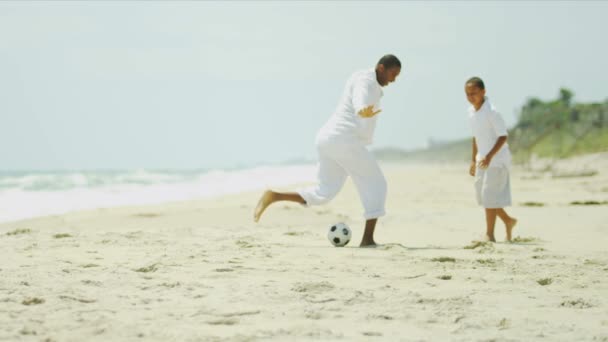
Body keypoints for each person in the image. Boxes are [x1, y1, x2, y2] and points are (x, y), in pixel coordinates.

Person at [253, 54, 402, 247]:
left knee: (324, 193)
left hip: (328, 139)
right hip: (343, 140)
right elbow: (360, 97)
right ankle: (367, 240)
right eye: (392, 74)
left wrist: (363, 110)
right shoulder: (365, 80)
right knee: (376, 184)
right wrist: (362, 109)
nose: (394, 80)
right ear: (381, 68)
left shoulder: (363, 78)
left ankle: (274, 195)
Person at [465, 76, 518, 242]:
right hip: (482, 158)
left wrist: (489, 156)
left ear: (483, 92)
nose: (471, 96)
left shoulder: (492, 112)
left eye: (474, 93)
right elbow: (476, 137)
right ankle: (508, 221)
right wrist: (474, 160)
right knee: (483, 197)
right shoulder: (471, 112)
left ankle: (489, 234)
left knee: (489, 196)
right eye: (467, 94)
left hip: (497, 160)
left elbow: (503, 136)